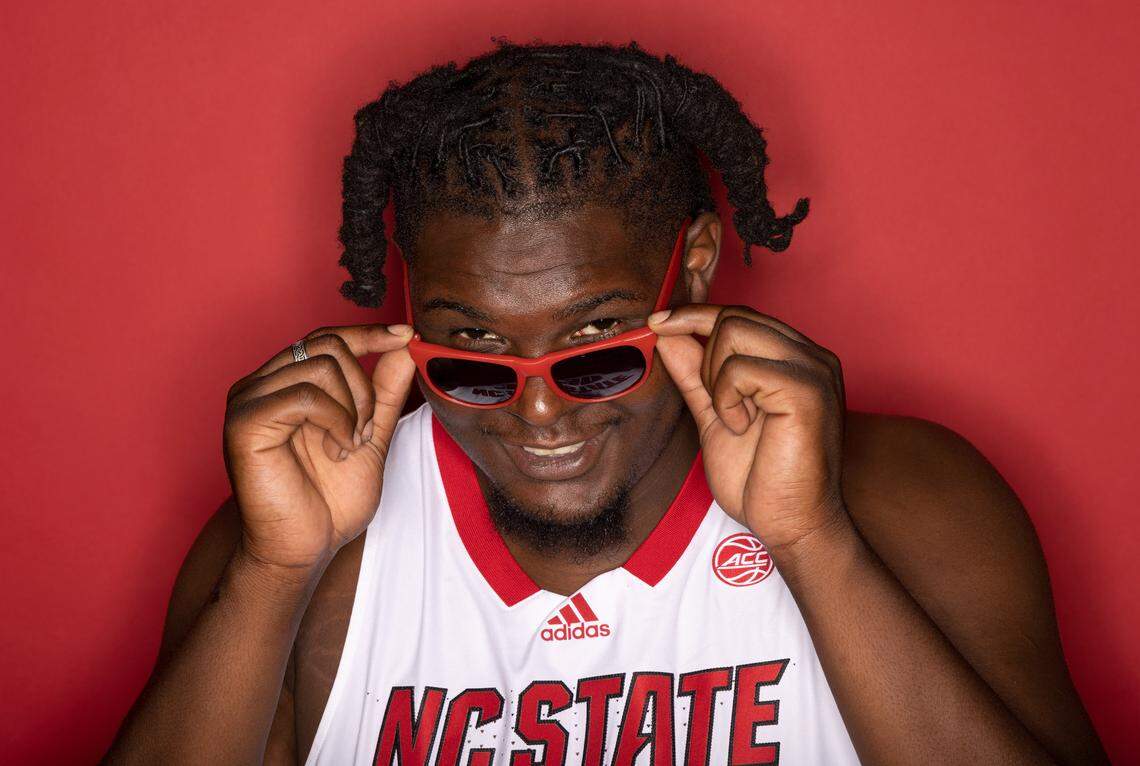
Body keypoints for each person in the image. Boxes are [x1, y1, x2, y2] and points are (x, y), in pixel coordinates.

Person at [102, 40, 1108, 765]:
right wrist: (273, 573)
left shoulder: (909, 501)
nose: (539, 412)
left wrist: (816, 543)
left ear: (696, 266)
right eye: (475, 351)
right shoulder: (307, 554)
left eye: (595, 345)